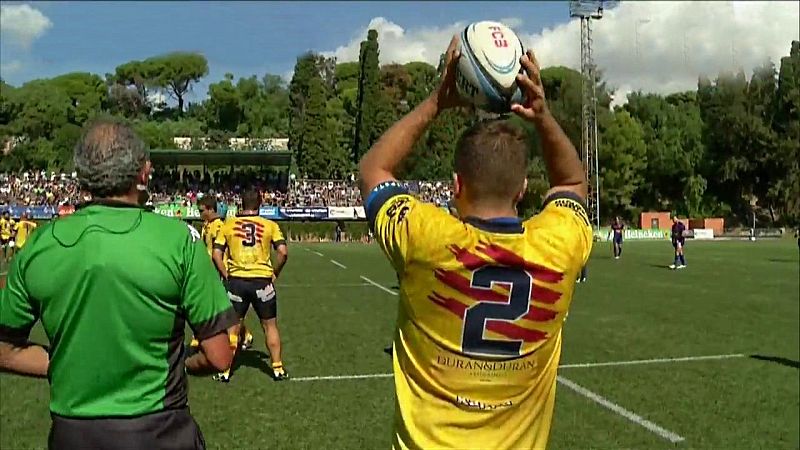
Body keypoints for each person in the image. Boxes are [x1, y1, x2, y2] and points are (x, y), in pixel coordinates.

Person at [358, 37, 592, 450]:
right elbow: (573, 182)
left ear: (456, 184)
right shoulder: (560, 244)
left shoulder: (425, 238)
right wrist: (543, 117)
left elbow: (373, 169)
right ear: (523, 188)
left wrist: (436, 101)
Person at [0, 119, 237, 449]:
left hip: (74, 435)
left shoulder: (40, 244)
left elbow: (5, 350)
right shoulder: (180, 240)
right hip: (160, 431)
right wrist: (179, 364)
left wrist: (67, 364)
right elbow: (220, 356)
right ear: (143, 173)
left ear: (82, 175)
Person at [212, 190, 290, 382]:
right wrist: (275, 273)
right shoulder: (270, 225)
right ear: (260, 204)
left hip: (237, 282)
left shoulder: (228, 225)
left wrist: (226, 274)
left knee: (233, 328)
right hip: (262, 282)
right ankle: (278, 368)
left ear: (241, 204)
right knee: (270, 326)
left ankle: (225, 371)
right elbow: (283, 252)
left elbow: (216, 254)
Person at [196, 196, 254, 353]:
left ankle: (235, 337)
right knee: (224, 309)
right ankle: (245, 335)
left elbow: (221, 252)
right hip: (210, 271)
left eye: (202, 210)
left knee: (227, 309)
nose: (200, 213)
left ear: (210, 209)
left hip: (220, 272)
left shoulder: (219, 227)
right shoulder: (207, 225)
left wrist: (224, 274)